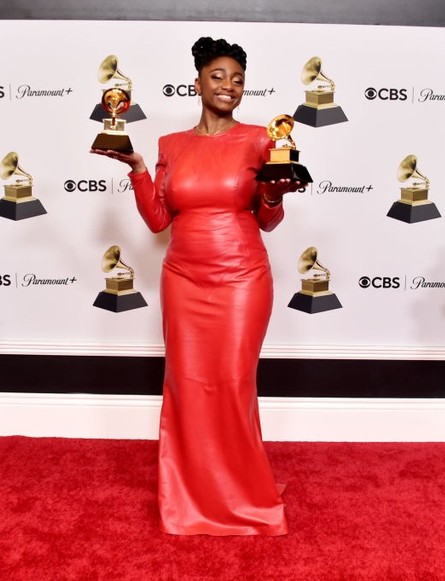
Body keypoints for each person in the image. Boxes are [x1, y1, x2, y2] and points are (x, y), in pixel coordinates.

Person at [92, 36, 304, 536]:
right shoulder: (171, 145)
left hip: (241, 279)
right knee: (187, 387)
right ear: (198, 83)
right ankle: (190, 495)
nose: (229, 86)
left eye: (237, 79)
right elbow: (158, 220)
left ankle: (242, 495)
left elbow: (269, 221)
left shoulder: (259, 138)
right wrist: (140, 170)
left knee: (232, 385)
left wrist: (273, 195)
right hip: (183, 279)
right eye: (218, 76)